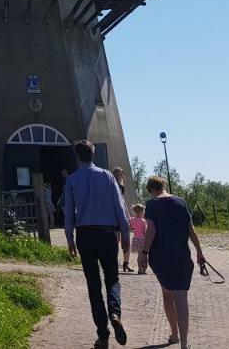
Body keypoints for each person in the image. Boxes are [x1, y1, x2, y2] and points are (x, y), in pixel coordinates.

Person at [63, 140, 130, 348]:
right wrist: (125, 234)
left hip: (85, 235)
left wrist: (70, 239)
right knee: (112, 279)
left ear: (77, 156)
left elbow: (68, 213)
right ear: (94, 154)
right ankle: (115, 313)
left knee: (93, 285)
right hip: (107, 234)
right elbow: (120, 207)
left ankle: (103, 335)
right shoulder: (108, 176)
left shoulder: (72, 180)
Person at [139, 176, 206, 349]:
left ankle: (174, 334)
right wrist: (199, 252)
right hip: (182, 256)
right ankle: (184, 343)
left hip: (161, 257)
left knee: (167, 294)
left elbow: (151, 231)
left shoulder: (152, 204)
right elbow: (191, 230)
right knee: (181, 298)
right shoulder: (182, 202)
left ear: (151, 190)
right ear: (164, 186)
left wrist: (144, 253)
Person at [112, 167, 131, 271]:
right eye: (119, 173)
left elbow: (122, 202)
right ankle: (121, 262)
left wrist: (128, 214)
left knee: (123, 239)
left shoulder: (121, 185)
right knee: (118, 239)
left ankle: (125, 262)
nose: (120, 175)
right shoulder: (114, 185)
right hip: (117, 216)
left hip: (120, 215)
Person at [130, 204, 148, 274]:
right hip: (142, 240)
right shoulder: (143, 221)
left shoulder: (132, 219)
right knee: (142, 255)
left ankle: (140, 268)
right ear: (141, 212)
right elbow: (145, 232)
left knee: (139, 255)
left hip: (136, 239)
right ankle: (141, 269)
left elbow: (130, 227)